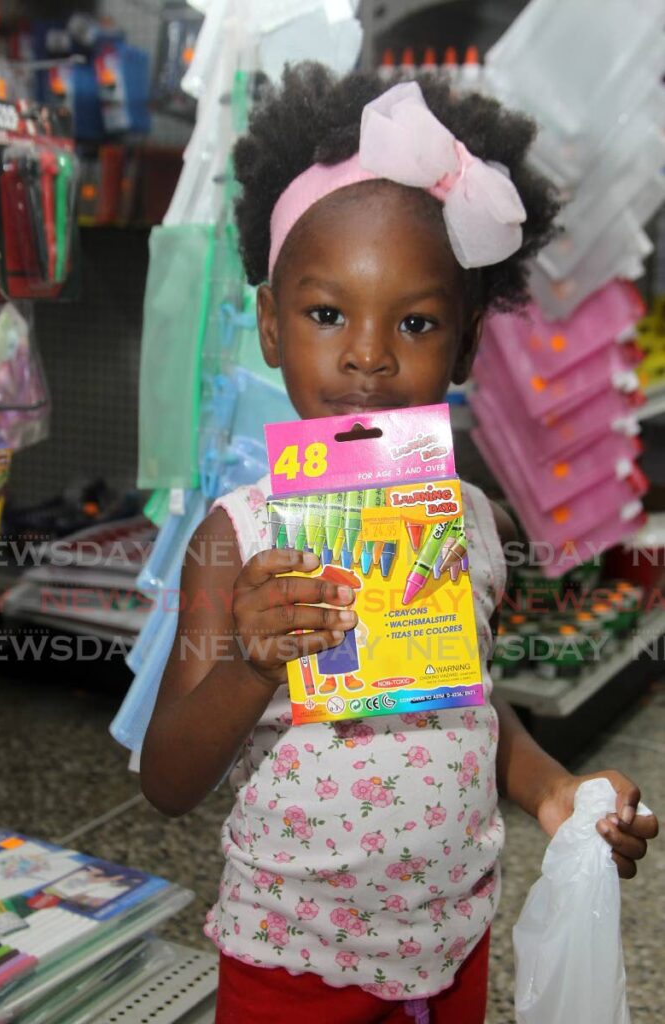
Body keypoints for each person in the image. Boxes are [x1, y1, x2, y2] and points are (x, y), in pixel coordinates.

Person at [140, 64, 659, 1023]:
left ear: (463, 348)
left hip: (451, 940)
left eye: (415, 322)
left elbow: (467, 701)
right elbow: (167, 779)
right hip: (292, 956)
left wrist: (552, 793)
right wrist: (256, 666)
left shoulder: (470, 521)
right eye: (326, 313)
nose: (368, 354)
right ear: (268, 324)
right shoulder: (236, 537)